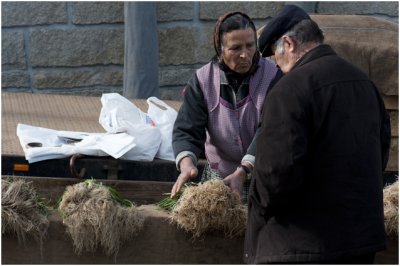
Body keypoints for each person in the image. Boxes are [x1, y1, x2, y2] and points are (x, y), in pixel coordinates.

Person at [244, 5, 391, 264]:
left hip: (300, 246)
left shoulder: (289, 90)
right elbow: (379, 154)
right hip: (358, 243)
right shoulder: (364, 84)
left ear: (288, 43)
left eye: (274, 57)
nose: (276, 66)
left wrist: (257, 202)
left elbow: (276, 175)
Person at [170, 12, 282, 200]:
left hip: (262, 177)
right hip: (218, 180)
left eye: (250, 45)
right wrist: (186, 165)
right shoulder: (203, 81)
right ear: (220, 49)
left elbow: (270, 130)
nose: (245, 54)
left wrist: (245, 170)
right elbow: (187, 129)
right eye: (235, 48)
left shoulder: (273, 78)